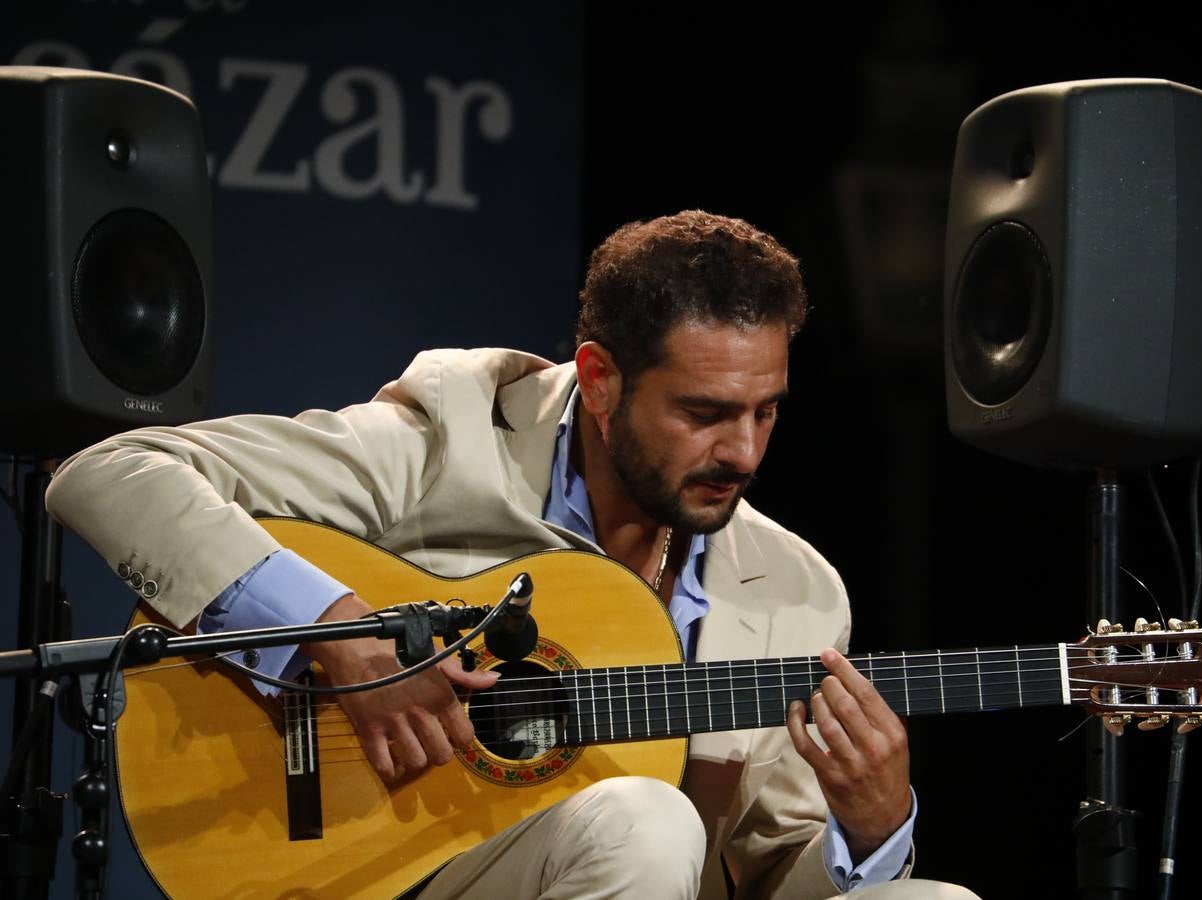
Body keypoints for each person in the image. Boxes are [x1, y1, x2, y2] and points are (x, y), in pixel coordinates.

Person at [46, 211, 976, 899]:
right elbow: (112, 472)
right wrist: (338, 636)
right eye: (703, 413)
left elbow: (763, 875)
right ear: (601, 381)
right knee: (646, 819)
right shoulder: (447, 439)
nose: (743, 451)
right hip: (379, 873)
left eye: (765, 410)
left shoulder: (799, 591)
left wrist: (874, 823)